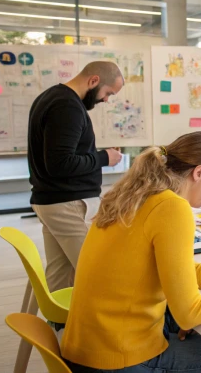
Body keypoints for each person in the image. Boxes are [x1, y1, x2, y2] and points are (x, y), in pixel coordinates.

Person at [62, 131, 201, 372]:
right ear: (199, 172)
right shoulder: (172, 208)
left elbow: (178, 269)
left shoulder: (132, 196)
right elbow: (190, 313)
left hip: (87, 350)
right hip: (121, 360)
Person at [28, 61, 124, 293]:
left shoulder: (51, 97)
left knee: (60, 273)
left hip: (52, 201)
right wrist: (104, 158)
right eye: (108, 93)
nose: (106, 100)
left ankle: (61, 325)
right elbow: (60, 164)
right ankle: (92, 328)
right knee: (100, 273)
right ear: (93, 81)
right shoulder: (67, 107)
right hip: (66, 204)